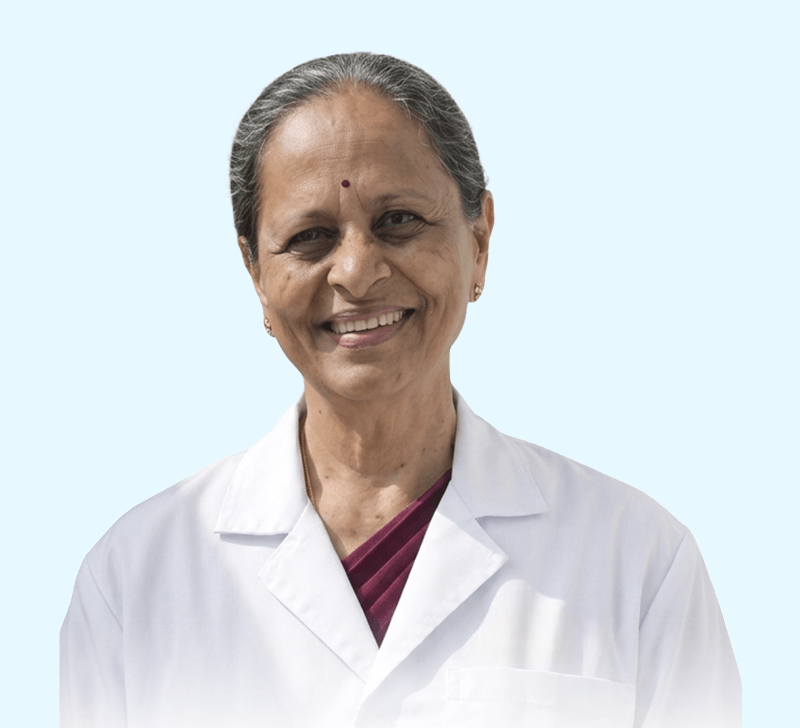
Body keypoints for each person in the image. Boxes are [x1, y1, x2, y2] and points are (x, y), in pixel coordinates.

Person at [60, 52, 741, 728]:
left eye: (399, 222)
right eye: (310, 237)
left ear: (479, 241)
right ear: (255, 274)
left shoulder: (636, 563)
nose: (356, 272)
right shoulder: (134, 582)